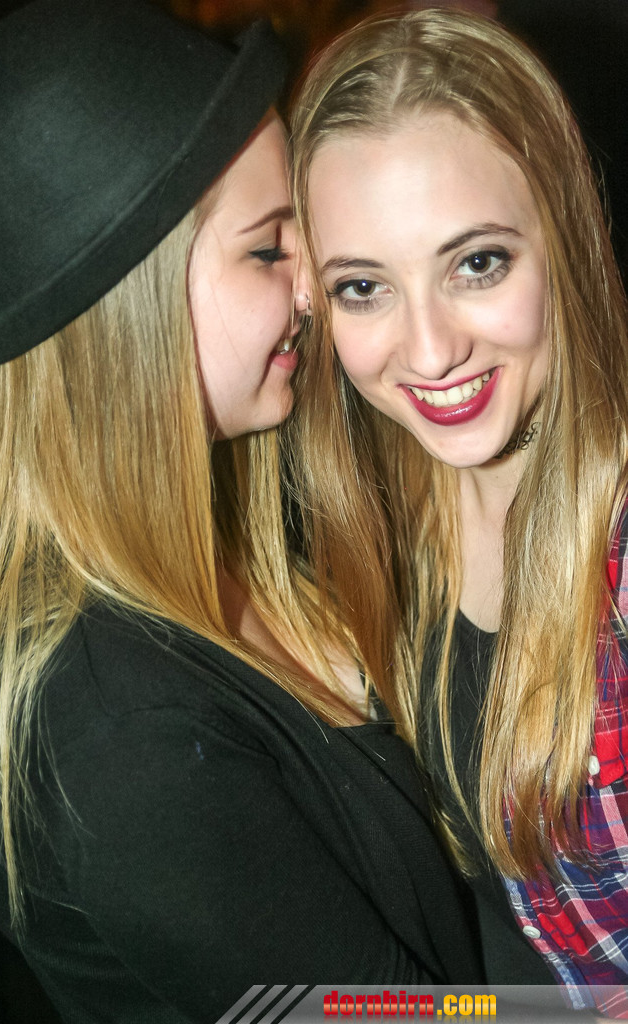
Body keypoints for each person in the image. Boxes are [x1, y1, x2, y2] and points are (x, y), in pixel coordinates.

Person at [0, 1, 487, 1020]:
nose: (314, 288)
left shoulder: (240, 505)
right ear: (133, 310)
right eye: (266, 249)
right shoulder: (117, 741)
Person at [289, 7, 628, 1016]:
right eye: (364, 287)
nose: (431, 352)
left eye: (476, 263)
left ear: (562, 239)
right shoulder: (388, 514)